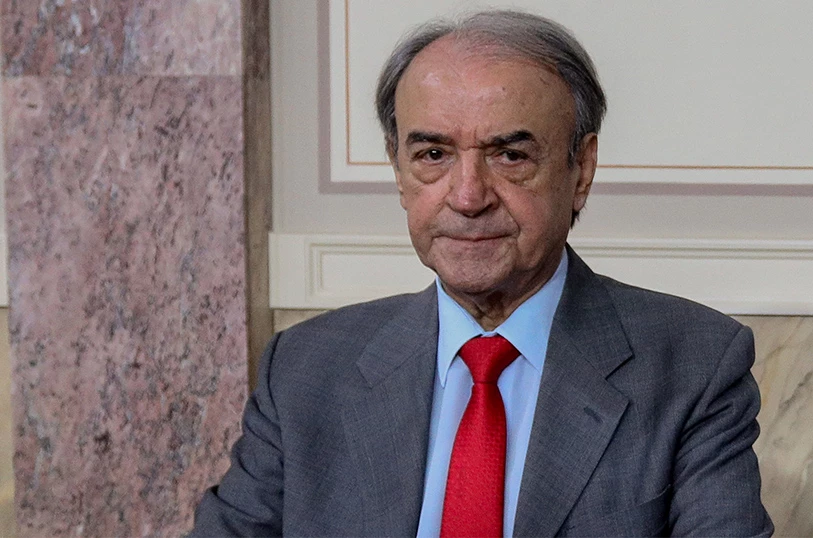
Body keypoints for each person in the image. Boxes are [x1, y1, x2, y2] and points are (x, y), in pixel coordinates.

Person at [191, 9, 773, 537]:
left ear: (581, 169)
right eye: (433, 155)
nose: (468, 197)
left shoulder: (693, 366)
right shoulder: (305, 369)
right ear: (398, 170)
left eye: (510, 155)